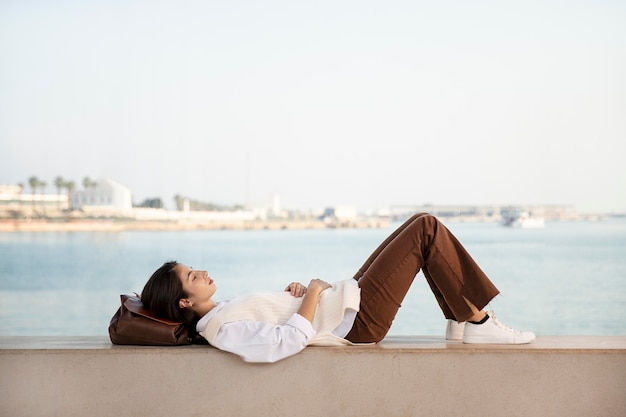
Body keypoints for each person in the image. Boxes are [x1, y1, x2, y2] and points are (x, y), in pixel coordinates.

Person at [141, 213, 535, 363]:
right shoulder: (222, 329)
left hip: (343, 306)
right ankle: (477, 322)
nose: (203, 272)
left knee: (417, 226)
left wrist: (289, 295)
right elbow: (285, 342)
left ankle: (462, 323)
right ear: (185, 300)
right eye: (193, 276)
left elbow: (275, 320)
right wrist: (311, 293)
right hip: (356, 325)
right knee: (425, 229)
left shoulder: (221, 312)